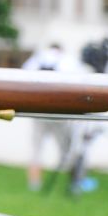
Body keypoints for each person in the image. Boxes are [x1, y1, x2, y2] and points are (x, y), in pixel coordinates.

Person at [22, 42, 69, 191]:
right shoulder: (66, 60)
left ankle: (34, 183)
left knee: (37, 149)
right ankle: (73, 181)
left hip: (39, 110)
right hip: (59, 112)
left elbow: (24, 76)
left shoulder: (38, 58)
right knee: (67, 148)